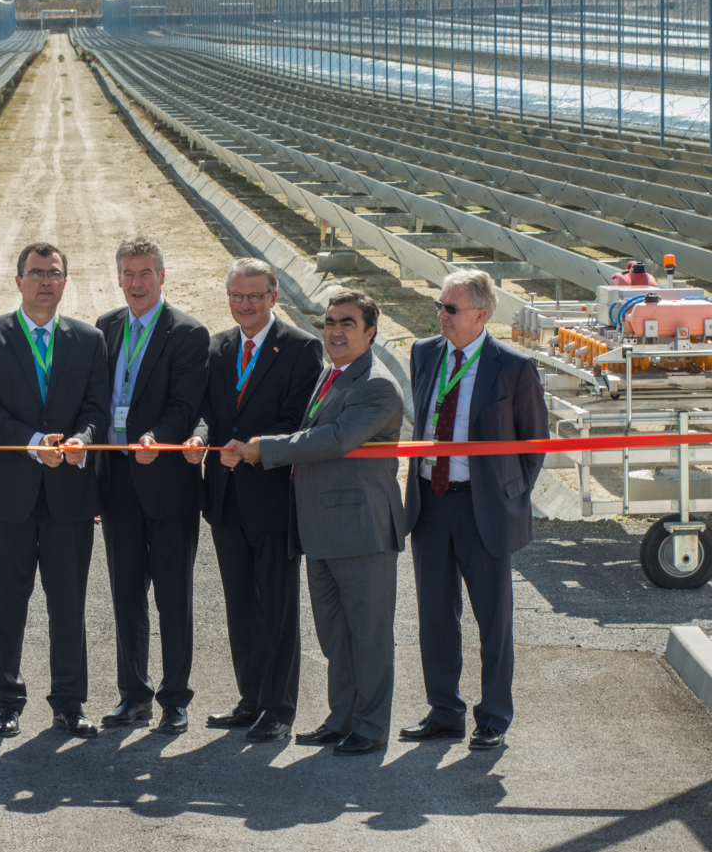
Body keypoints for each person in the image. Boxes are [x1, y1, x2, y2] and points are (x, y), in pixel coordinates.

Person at [236, 290, 406, 757]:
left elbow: (333, 439)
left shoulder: (377, 386)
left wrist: (264, 449)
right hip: (321, 527)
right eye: (330, 322)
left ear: (370, 332)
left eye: (347, 323)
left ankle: (370, 727)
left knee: (367, 635)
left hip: (361, 529)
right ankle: (341, 718)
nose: (335, 330)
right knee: (335, 635)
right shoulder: (331, 376)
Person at [0, 241, 110, 739]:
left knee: (68, 604)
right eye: (35, 272)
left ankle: (69, 702)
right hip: (8, 494)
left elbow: (98, 410)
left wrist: (81, 441)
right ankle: (7, 699)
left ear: (65, 281)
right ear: (18, 280)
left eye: (54, 273)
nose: (45, 281)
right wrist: (31, 443)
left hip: (69, 491)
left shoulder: (89, 339)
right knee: (8, 601)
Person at [400, 269, 547, 751]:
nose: (440, 316)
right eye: (440, 306)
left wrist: (509, 492)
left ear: (481, 314)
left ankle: (494, 715)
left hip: (481, 507)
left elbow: (533, 443)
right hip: (429, 502)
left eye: (451, 308)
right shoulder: (423, 354)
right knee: (436, 616)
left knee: (492, 619)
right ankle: (445, 711)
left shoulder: (512, 366)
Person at [191, 258, 324, 742]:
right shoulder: (217, 347)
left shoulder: (301, 348)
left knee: (278, 605)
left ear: (274, 298)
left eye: (254, 296)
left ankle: (278, 706)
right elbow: (206, 412)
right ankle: (250, 698)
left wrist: (252, 452)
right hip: (224, 497)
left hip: (271, 496)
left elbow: (298, 423)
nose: (244, 304)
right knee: (241, 605)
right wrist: (200, 437)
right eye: (236, 296)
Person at [94, 235, 209, 735]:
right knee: (125, 596)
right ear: (118, 278)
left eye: (145, 273)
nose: (136, 283)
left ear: (162, 276)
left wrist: (155, 438)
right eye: (128, 274)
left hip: (166, 481)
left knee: (173, 597)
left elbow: (186, 406)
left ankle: (175, 699)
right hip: (117, 479)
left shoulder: (187, 332)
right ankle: (133, 695)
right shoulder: (105, 327)